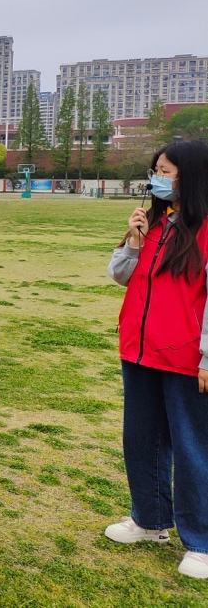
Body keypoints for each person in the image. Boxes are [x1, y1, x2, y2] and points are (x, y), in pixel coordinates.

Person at [105, 140, 208, 581]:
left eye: (165, 171)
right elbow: (121, 276)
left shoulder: (205, 230)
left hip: (187, 358)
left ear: (191, 176)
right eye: (156, 171)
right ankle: (149, 520)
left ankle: (201, 542)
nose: (157, 179)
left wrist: (207, 357)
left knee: (192, 449)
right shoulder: (156, 222)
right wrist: (133, 239)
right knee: (142, 440)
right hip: (141, 350)